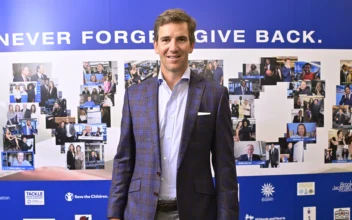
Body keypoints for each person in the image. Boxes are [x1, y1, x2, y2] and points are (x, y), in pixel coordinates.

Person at [107, 8, 239, 220]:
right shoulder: (134, 95)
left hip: (196, 212)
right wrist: (114, 214)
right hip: (141, 211)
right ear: (156, 45)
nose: (173, 47)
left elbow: (225, 167)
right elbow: (124, 159)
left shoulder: (215, 95)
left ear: (192, 45)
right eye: (166, 39)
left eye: (181, 39)